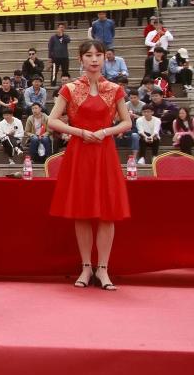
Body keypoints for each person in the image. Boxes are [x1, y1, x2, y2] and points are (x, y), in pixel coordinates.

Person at [46, 39, 132, 291]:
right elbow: (52, 121)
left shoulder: (114, 89)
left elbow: (126, 122)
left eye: (98, 55)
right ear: (80, 59)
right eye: (89, 55)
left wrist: (105, 131)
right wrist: (80, 132)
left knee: (108, 212)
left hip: (105, 152)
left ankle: (103, 268)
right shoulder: (70, 89)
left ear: (105, 58)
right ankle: (86, 266)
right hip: (80, 152)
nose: (94, 59)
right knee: (81, 211)